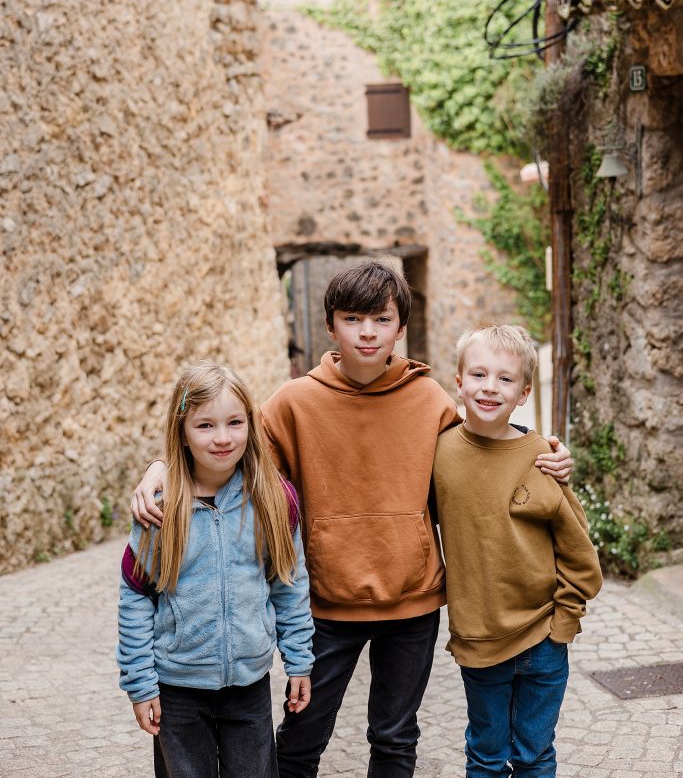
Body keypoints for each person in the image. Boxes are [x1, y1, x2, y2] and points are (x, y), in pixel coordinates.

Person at [131, 262, 574, 778]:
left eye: (381, 319)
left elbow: (481, 445)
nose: (367, 331)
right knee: (301, 738)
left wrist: (542, 451)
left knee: (394, 739)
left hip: (412, 605)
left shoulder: (429, 399)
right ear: (331, 325)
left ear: (400, 329)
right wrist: (161, 465)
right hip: (326, 606)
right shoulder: (295, 402)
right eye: (353, 318)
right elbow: (226, 447)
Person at [117, 362, 315, 778]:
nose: (222, 438)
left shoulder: (274, 500)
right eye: (205, 425)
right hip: (177, 691)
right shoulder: (160, 507)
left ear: (250, 424)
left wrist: (298, 660)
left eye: (234, 422)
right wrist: (140, 684)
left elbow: (289, 584)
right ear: (182, 433)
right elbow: (135, 596)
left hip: (249, 687)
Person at [432, 324, 602, 778]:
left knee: (535, 756)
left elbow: (579, 553)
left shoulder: (541, 457)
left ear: (524, 392)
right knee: (485, 757)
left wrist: (563, 623)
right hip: (479, 640)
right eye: (479, 375)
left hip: (543, 640)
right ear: (459, 382)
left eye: (505, 379)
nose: (490, 387)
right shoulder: (439, 454)